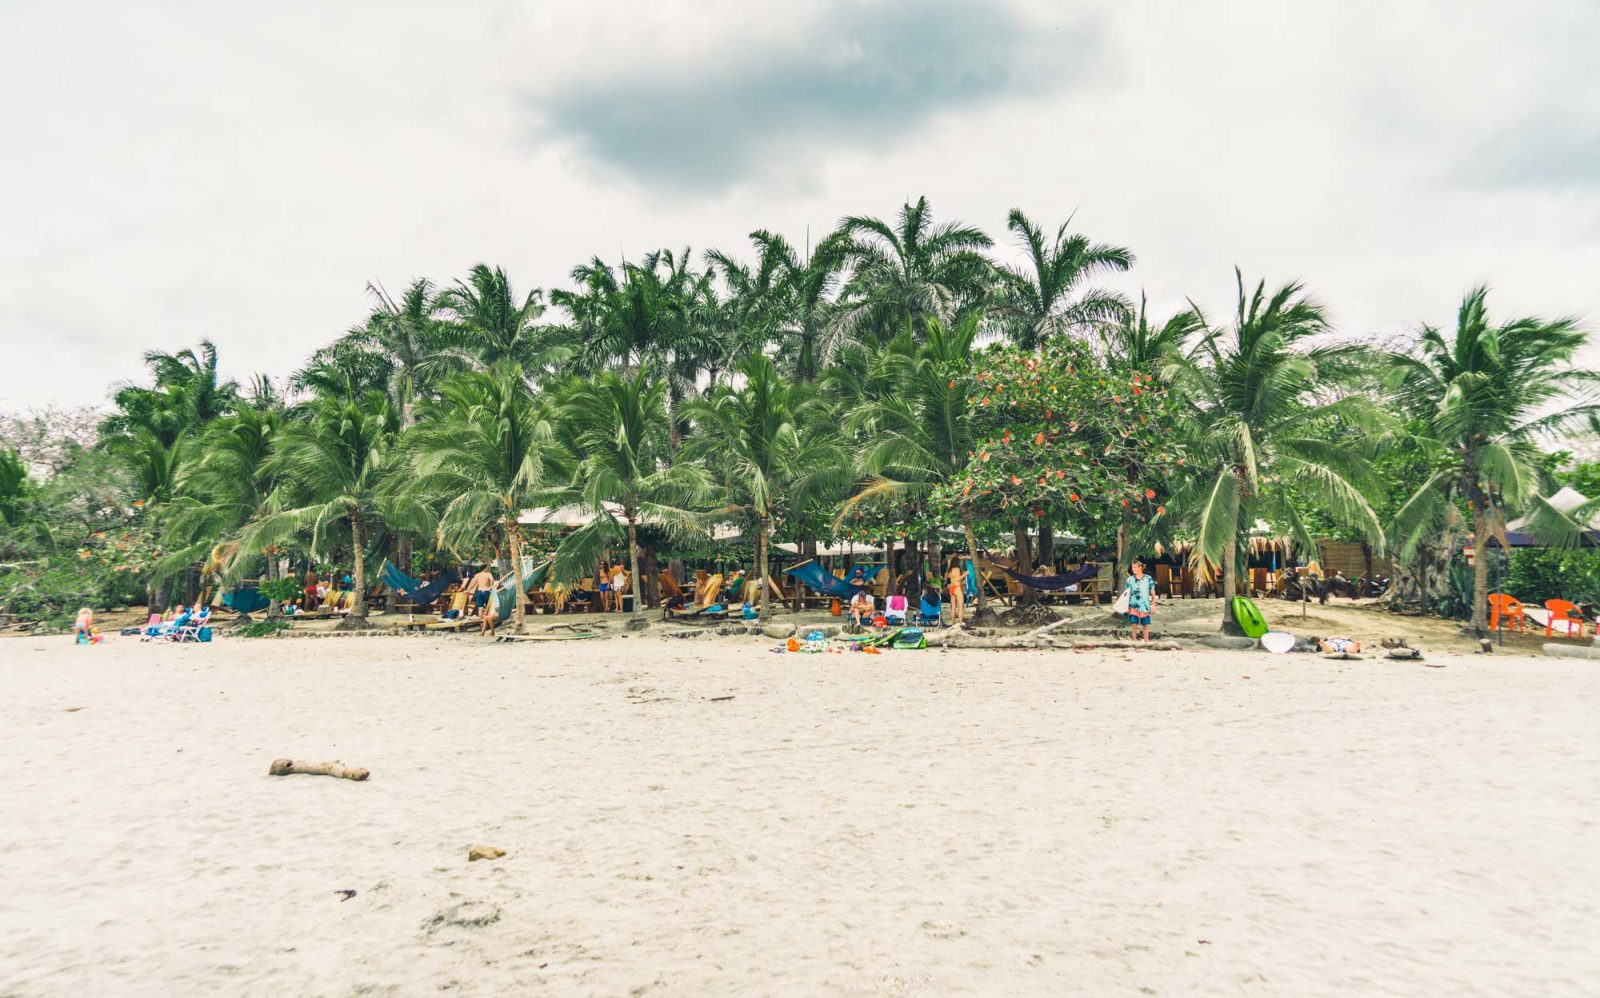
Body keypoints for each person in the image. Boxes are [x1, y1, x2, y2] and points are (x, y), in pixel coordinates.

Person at [1123, 559, 1157, 642]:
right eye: (1132, 567)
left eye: (1135, 567)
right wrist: (1125, 606)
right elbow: (1126, 594)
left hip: (1144, 605)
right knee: (1134, 624)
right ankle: (1134, 640)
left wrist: (1153, 605)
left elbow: (1152, 593)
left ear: (1140, 568)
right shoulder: (1130, 579)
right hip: (1133, 605)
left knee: (1145, 624)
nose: (1133, 569)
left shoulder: (1148, 578)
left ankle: (1146, 639)